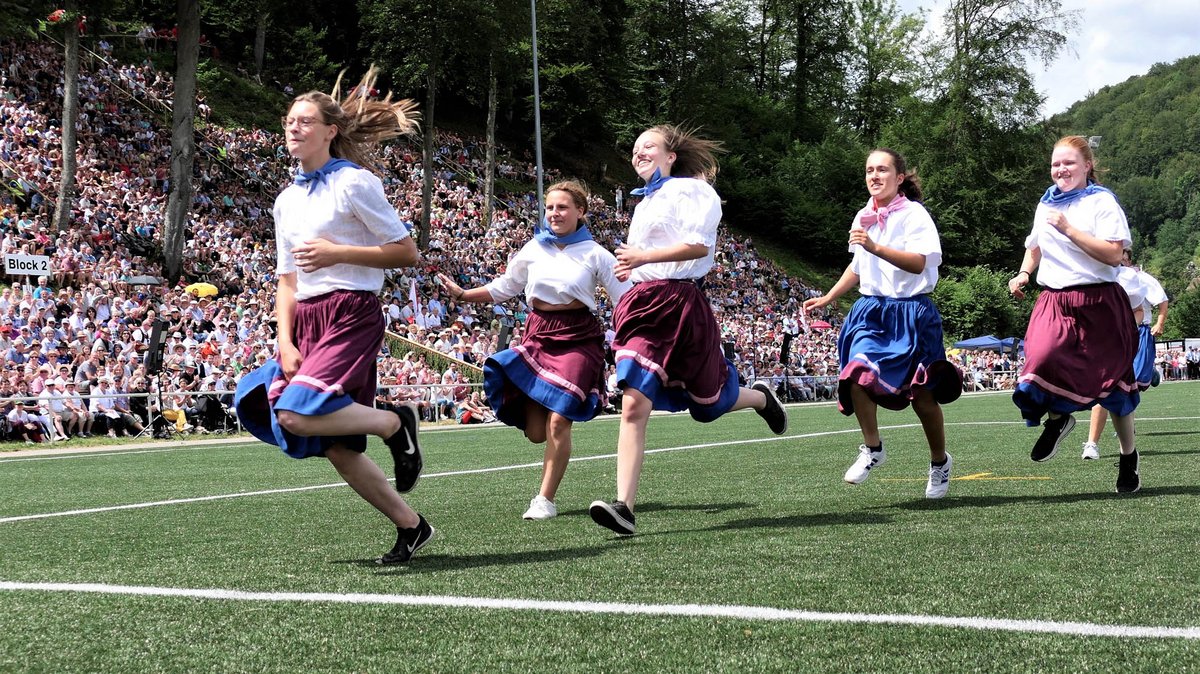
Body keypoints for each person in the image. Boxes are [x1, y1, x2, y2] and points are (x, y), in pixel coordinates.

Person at [234, 68, 434, 564]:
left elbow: (406, 252)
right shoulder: (285, 200)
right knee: (340, 448)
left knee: (294, 413)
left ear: (331, 131)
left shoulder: (355, 183)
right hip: (305, 318)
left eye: (305, 121)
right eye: (289, 121)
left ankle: (395, 422)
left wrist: (336, 252)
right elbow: (285, 279)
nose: (294, 128)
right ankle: (412, 527)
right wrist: (285, 339)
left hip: (351, 311)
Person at [587, 125, 788, 536]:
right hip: (642, 304)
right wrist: (630, 271)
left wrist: (643, 256)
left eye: (648, 146)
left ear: (671, 156)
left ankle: (757, 398)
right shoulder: (643, 203)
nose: (638, 153)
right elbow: (645, 261)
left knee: (707, 407)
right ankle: (624, 506)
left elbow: (698, 247)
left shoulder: (694, 191)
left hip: (681, 302)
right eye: (634, 148)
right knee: (632, 403)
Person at [437, 180, 630, 520]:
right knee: (536, 433)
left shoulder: (596, 254)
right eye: (550, 207)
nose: (554, 214)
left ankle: (544, 499)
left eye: (563, 207)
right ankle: (540, 432)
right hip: (537, 333)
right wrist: (464, 294)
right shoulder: (533, 248)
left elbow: (624, 299)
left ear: (580, 212)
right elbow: (504, 288)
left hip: (578, 338)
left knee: (558, 423)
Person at [802, 148, 962, 499]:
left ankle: (940, 462)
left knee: (922, 398)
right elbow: (858, 267)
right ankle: (872, 448)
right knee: (856, 372)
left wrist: (874, 246)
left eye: (883, 170)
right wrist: (829, 297)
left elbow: (919, 264)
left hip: (912, 313)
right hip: (871, 310)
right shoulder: (863, 215)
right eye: (869, 170)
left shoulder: (915, 215)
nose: (874, 176)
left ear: (899, 177)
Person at [1008, 135, 1141, 493]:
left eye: (1068, 163)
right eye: (1055, 164)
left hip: (1099, 302)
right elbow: (1034, 248)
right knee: (1040, 359)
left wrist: (1069, 229)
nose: (1061, 169)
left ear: (1087, 166)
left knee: (1113, 386)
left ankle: (1128, 456)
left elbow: (1114, 255)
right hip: (1054, 299)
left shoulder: (1102, 202)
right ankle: (1058, 419)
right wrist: (1023, 273)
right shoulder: (1045, 203)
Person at [1081, 247, 1168, 460]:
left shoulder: (1140, 279)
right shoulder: (1096, 278)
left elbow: (1160, 301)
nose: (1117, 262)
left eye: (1122, 259)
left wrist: (1159, 322)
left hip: (1137, 332)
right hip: (1108, 338)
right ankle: (1092, 443)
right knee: (1109, 386)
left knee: (1132, 383)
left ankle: (1148, 375)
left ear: (1127, 261)